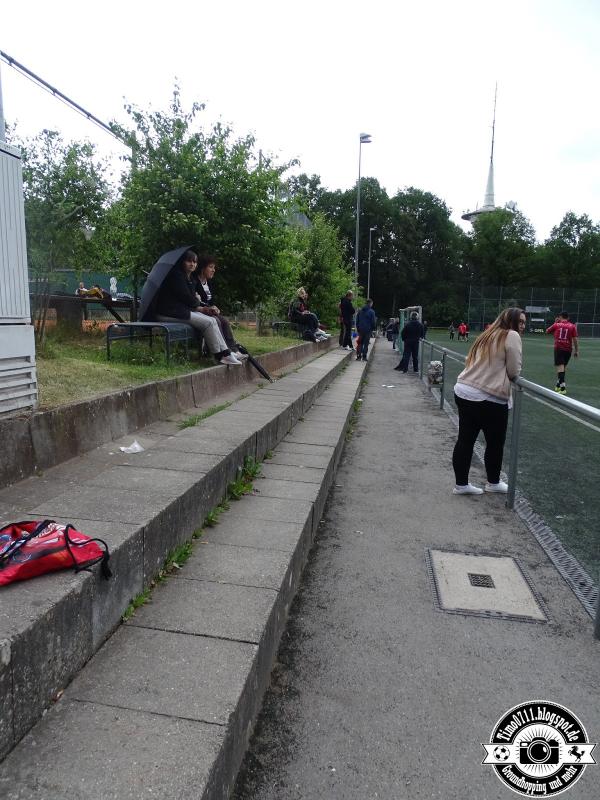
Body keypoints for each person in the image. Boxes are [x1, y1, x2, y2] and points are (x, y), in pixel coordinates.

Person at [452, 307, 526, 495]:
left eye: (524, 322)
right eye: (520, 322)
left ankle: (461, 485)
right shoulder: (511, 335)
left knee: (465, 440)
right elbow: (514, 371)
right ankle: (493, 482)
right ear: (511, 322)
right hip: (488, 396)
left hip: (464, 389)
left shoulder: (487, 334)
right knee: (494, 443)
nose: (523, 326)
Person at [154, 249, 242, 365]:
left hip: (181, 312)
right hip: (169, 313)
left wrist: (198, 302)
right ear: (182, 262)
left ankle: (226, 352)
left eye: (195, 262)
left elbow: (191, 299)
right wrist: (197, 301)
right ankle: (219, 355)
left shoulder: (189, 278)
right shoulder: (176, 276)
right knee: (208, 322)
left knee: (212, 320)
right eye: (189, 261)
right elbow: (187, 298)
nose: (192, 264)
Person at [193, 255, 247, 359]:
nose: (213, 270)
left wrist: (215, 307)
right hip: (200, 312)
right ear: (203, 268)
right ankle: (225, 351)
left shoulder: (208, 283)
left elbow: (210, 301)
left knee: (224, 321)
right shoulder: (194, 282)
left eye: (214, 268)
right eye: (211, 267)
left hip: (209, 312)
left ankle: (234, 349)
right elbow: (196, 302)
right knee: (218, 321)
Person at [546, 311, 579, 394]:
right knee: (563, 368)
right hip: (568, 349)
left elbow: (547, 331)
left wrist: (555, 322)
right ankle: (558, 385)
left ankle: (563, 388)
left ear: (560, 317)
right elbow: (575, 339)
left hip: (559, 349)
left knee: (560, 368)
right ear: (568, 318)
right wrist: (576, 350)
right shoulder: (572, 326)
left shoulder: (556, 324)